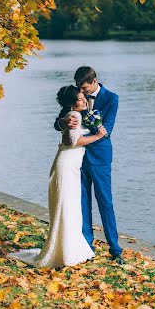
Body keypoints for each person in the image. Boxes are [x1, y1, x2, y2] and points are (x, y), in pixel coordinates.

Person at [7, 85, 107, 268]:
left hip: (70, 165)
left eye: (83, 97)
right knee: (67, 206)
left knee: (69, 206)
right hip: (67, 165)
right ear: (71, 103)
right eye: (79, 99)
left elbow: (67, 137)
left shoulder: (77, 112)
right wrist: (98, 135)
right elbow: (74, 141)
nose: (83, 100)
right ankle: (67, 251)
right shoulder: (74, 116)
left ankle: (68, 248)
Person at [54, 66, 123, 264]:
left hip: (100, 157)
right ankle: (86, 246)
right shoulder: (76, 96)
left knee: (105, 202)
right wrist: (66, 122)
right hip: (77, 158)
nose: (81, 92)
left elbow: (106, 129)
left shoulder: (112, 98)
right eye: (79, 88)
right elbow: (57, 122)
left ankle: (115, 248)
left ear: (94, 82)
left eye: (84, 88)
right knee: (82, 202)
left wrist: (86, 120)